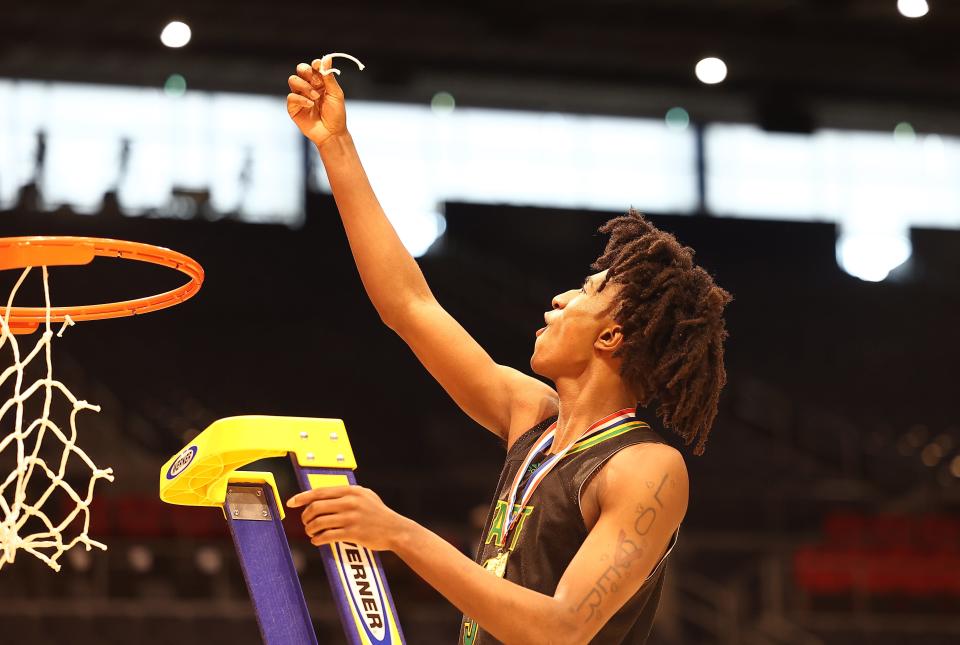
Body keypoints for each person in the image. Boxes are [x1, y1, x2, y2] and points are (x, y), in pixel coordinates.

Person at [285, 55, 732, 644]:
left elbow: (564, 630)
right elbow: (410, 306)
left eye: (586, 292)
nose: (558, 299)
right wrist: (335, 144)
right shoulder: (534, 417)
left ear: (611, 335)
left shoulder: (647, 466)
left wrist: (400, 533)